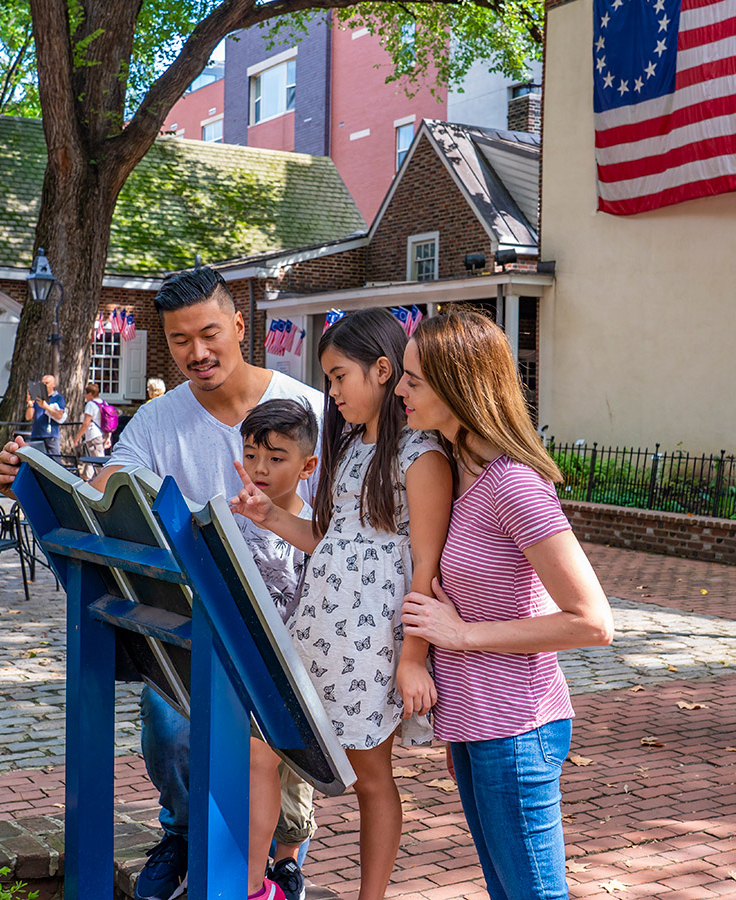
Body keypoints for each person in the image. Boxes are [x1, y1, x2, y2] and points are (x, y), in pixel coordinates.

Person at [0, 267, 323, 900]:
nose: (196, 353)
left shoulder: (308, 407)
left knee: (284, 749)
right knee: (168, 724)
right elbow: (105, 494)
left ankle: (280, 859)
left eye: (208, 334)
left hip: (291, 616)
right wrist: (29, 478)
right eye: (178, 340)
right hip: (190, 617)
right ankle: (182, 830)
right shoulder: (155, 421)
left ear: (238, 326)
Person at [231, 308, 452, 900]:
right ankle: (255, 886)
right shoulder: (350, 445)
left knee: (370, 778)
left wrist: (413, 657)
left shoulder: (421, 456)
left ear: (382, 371)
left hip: (371, 642)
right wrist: (271, 516)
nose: (330, 391)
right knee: (263, 747)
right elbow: (331, 539)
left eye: (338, 376)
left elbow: (426, 569)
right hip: (317, 624)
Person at [395, 309, 615, 900]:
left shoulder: (512, 485)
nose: (399, 389)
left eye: (413, 380)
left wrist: (462, 635)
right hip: (479, 726)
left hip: (517, 728)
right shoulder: (458, 469)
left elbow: (593, 623)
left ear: (457, 385)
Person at [238, 399, 321, 900]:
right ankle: (252, 880)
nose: (260, 469)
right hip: (250, 665)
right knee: (258, 763)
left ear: (307, 466)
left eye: (276, 458)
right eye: (251, 456)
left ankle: (287, 866)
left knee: (296, 775)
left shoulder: (313, 529)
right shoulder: (233, 515)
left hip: (301, 669)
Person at [26, 374, 66, 455]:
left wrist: (46, 407)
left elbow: (59, 416)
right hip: (36, 434)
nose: (44, 385)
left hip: (51, 435)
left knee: (54, 461)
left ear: (53, 384)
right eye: (42, 383)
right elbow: (28, 417)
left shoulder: (58, 397)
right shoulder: (37, 397)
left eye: (46, 383)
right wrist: (30, 404)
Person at [78, 382, 108, 481]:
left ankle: (103, 480)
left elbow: (86, 423)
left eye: (85, 394)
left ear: (90, 394)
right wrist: (109, 437)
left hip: (93, 435)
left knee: (98, 459)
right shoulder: (103, 403)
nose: (85, 396)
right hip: (103, 434)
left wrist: (78, 436)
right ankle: (86, 477)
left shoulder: (91, 405)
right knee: (91, 457)